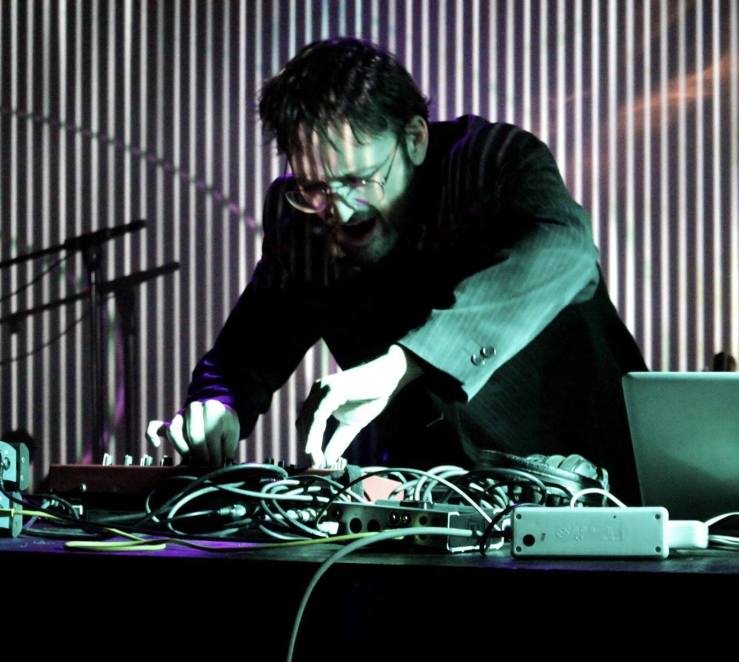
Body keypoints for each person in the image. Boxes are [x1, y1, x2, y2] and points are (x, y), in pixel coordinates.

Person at [147, 38, 647, 502]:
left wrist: (400, 365)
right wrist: (219, 406)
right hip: (425, 500)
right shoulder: (300, 219)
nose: (340, 211)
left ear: (415, 139)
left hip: (590, 483)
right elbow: (250, 348)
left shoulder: (493, 161)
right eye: (315, 188)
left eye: (359, 180)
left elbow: (565, 248)